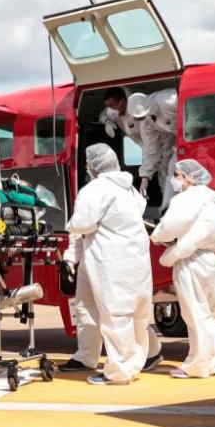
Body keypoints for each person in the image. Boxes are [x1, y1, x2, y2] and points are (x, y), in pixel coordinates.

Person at [58, 143, 163, 384]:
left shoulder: (95, 190)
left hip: (108, 261)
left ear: (92, 166)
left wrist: (72, 227)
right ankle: (88, 356)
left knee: (116, 314)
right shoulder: (129, 189)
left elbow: (82, 224)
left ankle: (120, 370)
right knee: (87, 306)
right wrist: (71, 258)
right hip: (124, 258)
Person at [150, 159, 215, 378]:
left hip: (190, 261)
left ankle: (197, 365)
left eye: (178, 175)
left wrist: (157, 236)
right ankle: (212, 360)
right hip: (209, 260)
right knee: (206, 312)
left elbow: (170, 226)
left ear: (189, 177)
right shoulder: (214, 201)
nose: (174, 179)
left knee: (193, 312)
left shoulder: (186, 199)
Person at [127, 88, 179, 209]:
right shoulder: (146, 123)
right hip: (180, 141)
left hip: (198, 133)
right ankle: (168, 210)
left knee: (173, 170)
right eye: (138, 118)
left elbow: (192, 105)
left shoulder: (167, 100)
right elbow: (150, 150)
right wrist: (145, 178)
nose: (141, 120)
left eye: (141, 117)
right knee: (168, 171)